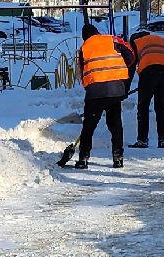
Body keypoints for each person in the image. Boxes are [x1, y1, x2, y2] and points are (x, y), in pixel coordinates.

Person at [58, 22, 135, 169]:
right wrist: (119, 71)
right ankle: (118, 158)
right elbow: (130, 55)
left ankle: (83, 159)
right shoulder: (113, 39)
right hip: (115, 90)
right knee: (115, 125)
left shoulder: (84, 48)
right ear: (97, 32)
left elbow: (82, 73)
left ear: (84, 37)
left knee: (89, 126)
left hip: (95, 92)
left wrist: (91, 87)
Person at [127, 27, 164, 149]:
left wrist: (125, 89)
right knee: (161, 107)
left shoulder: (136, 42)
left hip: (148, 71)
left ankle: (142, 140)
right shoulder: (160, 39)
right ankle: (163, 140)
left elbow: (131, 68)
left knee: (143, 106)